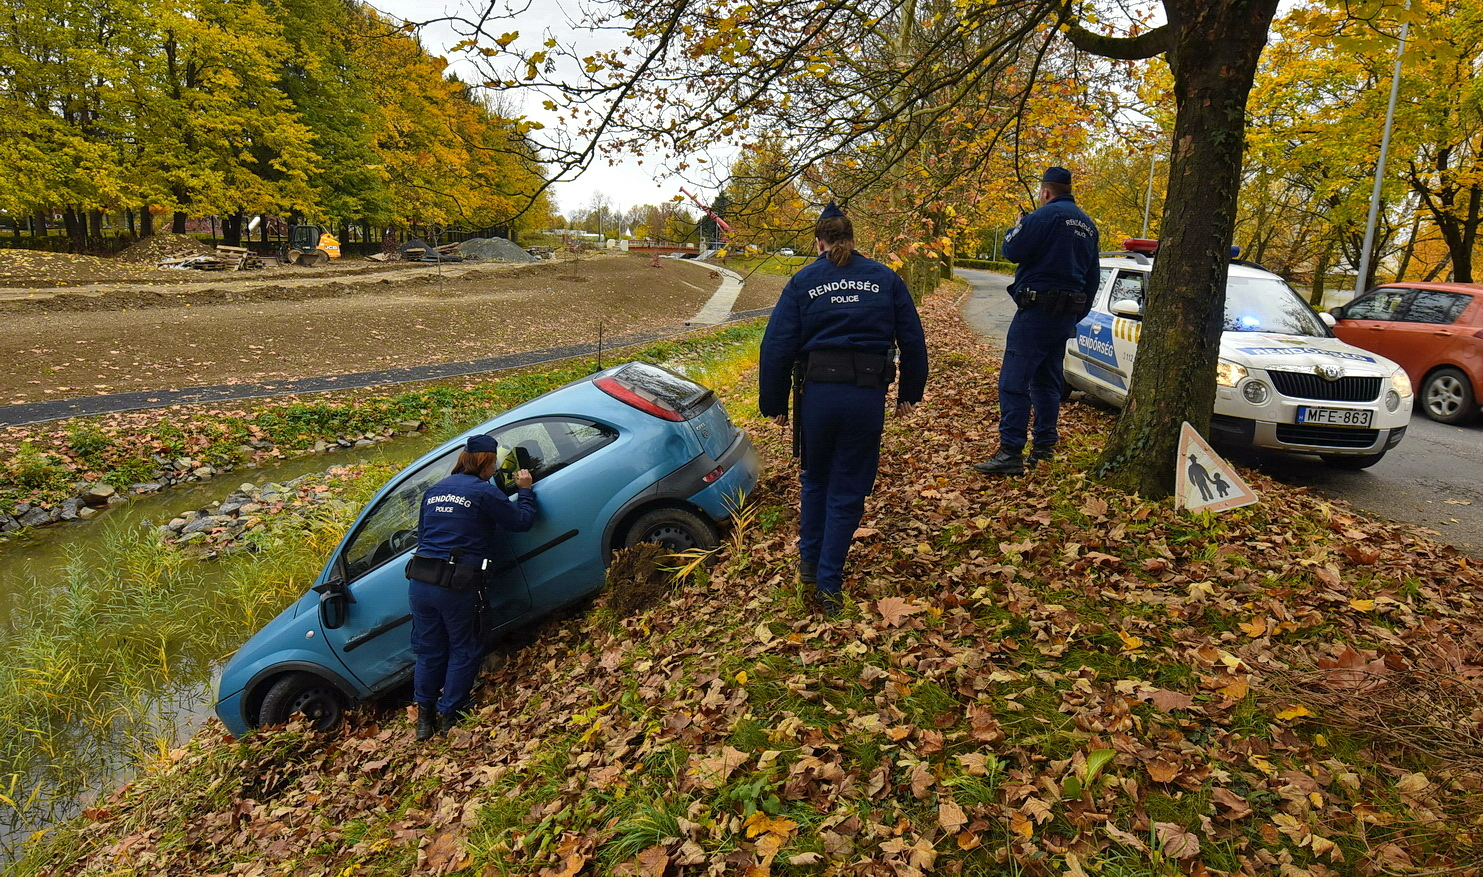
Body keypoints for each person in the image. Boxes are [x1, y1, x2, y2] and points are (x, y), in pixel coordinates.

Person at [758, 202, 929, 615]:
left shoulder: (803, 281)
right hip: (865, 399)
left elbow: (776, 345)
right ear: (853, 240)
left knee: (815, 480)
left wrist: (773, 402)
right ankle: (829, 584)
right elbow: (913, 338)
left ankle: (808, 565)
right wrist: (909, 392)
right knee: (848, 489)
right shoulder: (885, 279)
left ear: (819, 241)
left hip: (817, 399)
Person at [405, 434, 536, 740]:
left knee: (429, 651)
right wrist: (525, 491)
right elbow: (521, 522)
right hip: (456, 584)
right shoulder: (481, 492)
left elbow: (424, 536)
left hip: (421, 583)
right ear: (485, 462)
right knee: (464, 647)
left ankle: (424, 719)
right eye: (493, 463)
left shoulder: (434, 491)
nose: (494, 469)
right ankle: (451, 712)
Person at [974, 166, 1100, 476]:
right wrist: (1074, 312)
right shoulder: (1087, 225)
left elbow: (1011, 250)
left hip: (1036, 310)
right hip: (1065, 313)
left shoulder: (1042, 217)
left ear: (1045, 192)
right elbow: (1093, 278)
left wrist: (1018, 226)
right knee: (1046, 381)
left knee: (1013, 382)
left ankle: (1010, 452)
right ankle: (1044, 448)